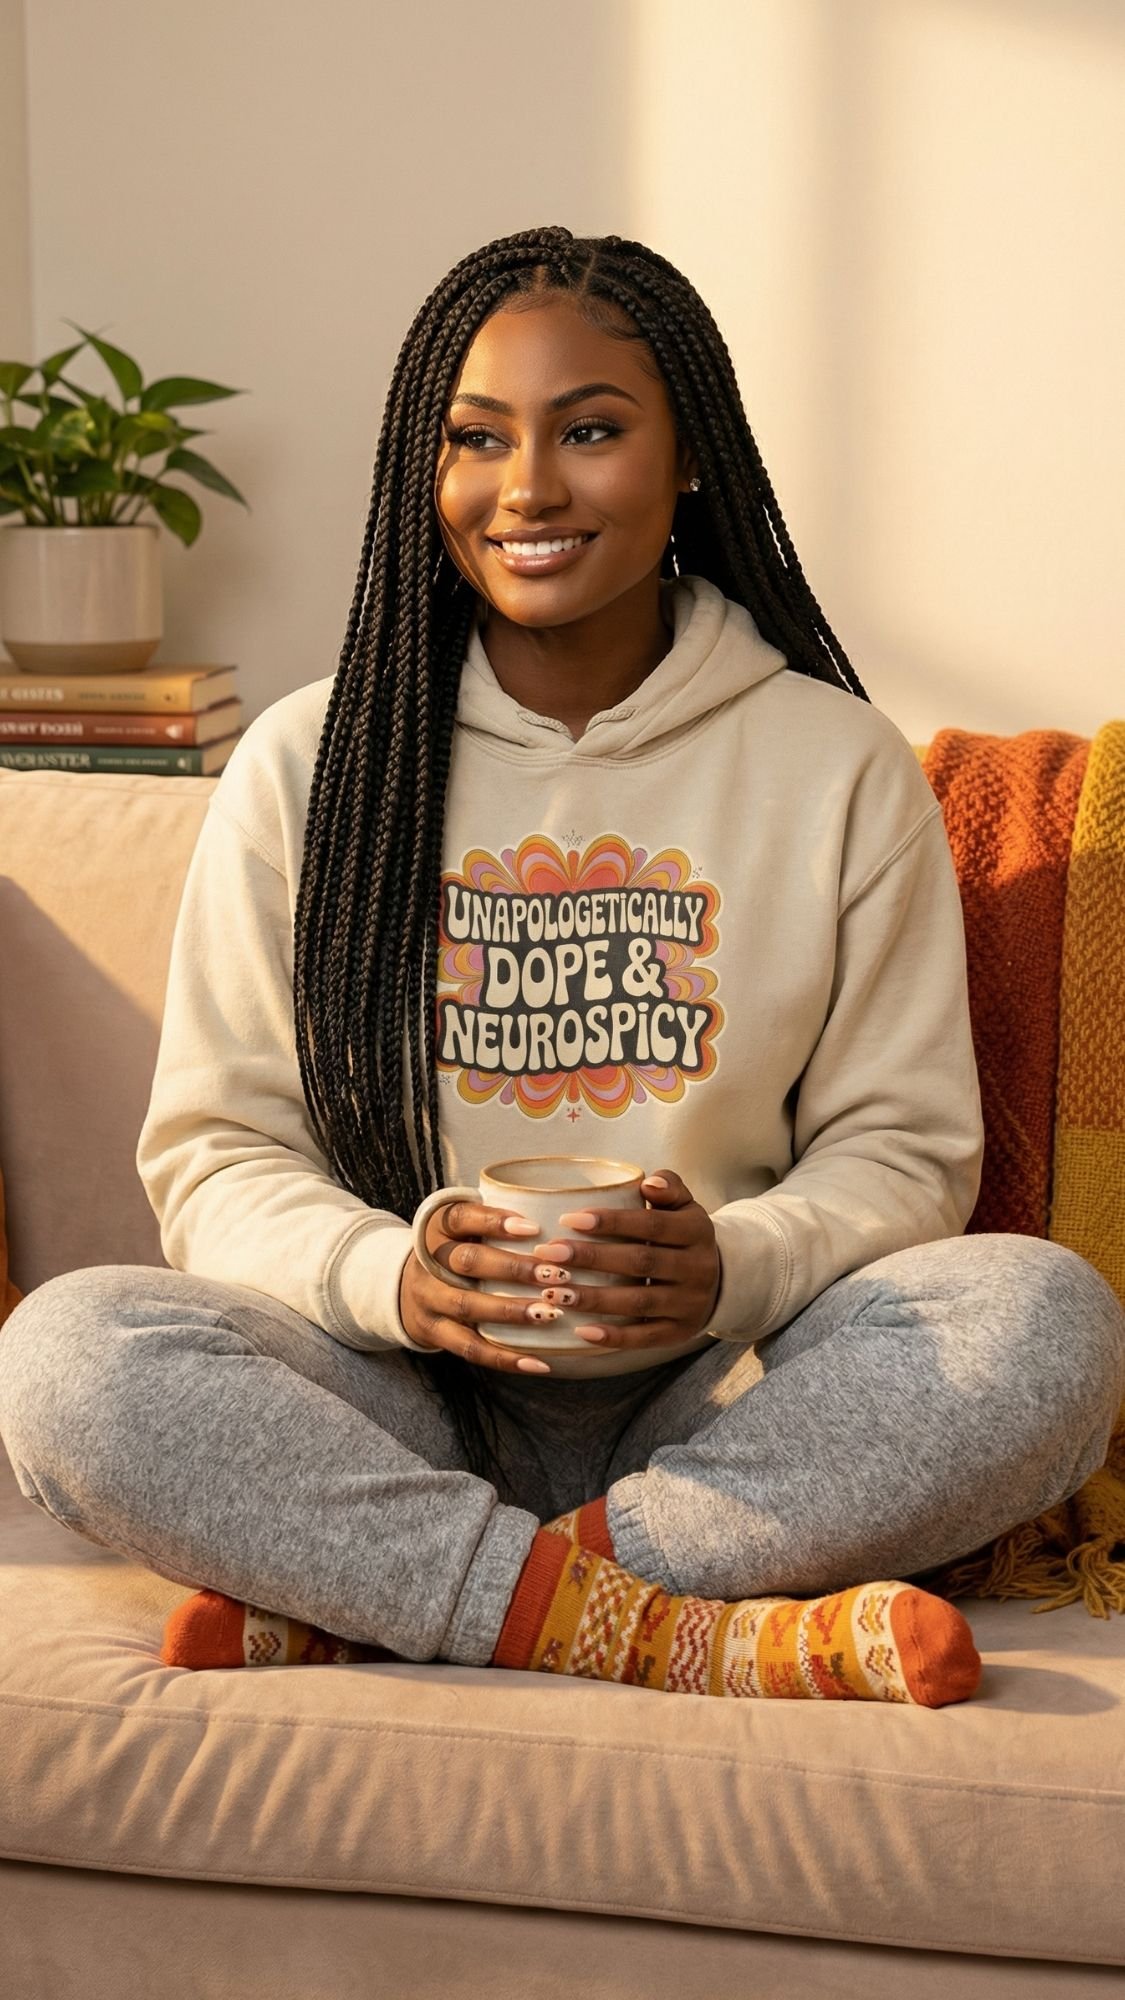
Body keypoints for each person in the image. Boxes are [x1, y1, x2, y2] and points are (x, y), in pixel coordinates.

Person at [2, 228, 1122, 1705]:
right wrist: (393, 1276)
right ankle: (670, 1625)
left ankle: (378, 1595)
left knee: (1043, 1321)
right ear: (430, 470)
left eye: (590, 430)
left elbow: (901, 1150)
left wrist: (732, 1267)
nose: (526, 488)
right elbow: (218, 1154)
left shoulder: (834, 765)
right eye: (476, 440)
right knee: (67, 1360)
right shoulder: (309, 764)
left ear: (691, 460)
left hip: (725, 1394)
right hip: (400, 1393)